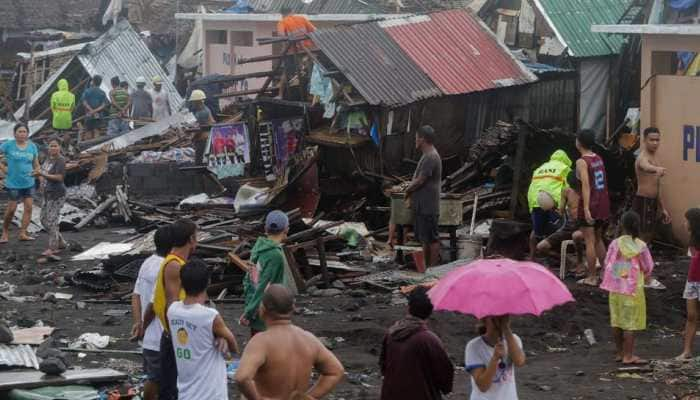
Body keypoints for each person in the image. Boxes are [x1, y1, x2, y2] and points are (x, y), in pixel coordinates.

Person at [235, 284, 345, 399]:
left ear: (262, 309)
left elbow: (242, 378)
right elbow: (336, 371)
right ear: (293, 308)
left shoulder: (261, 341)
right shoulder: (309, 339)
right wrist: (309, 397)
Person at [168, 259, 240, 400]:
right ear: (208, 283)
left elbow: (199, 335)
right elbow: (234, 347)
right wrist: (221, 337)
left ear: (181, 283)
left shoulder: (172, 310)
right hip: (211, 393)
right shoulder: (209, 316)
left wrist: (217, 336)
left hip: (185, 393)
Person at [147, 219, 198, 400]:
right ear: (191, 239)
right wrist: (179, 339)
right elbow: (173, 304)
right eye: (196, 237)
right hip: (175, 336)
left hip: (175, 334)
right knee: (171, 389)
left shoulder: (174, 262)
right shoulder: (174, 265)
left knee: (173, 386)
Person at [379, 287, 454, 400]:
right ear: (430, 311)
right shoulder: (429, 339)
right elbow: (445, 372)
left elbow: (383, 366)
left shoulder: (391, 334)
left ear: (408, 308)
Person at [600, 211, 654, 364]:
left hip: (616, 287)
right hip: (633, 289)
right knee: (630, 323)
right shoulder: (641, 245)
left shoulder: (615, 243)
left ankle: (619, 353)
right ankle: (628, 356)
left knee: (617, 320)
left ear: (621, 225)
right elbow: (647, 266)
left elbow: (607, 263)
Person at [241, 210, 297, 336]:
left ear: (266, 228)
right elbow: (264, 286)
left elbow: (249, 279)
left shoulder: (259, 247)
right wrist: (249, 311)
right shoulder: (275, 255)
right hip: (269, 311)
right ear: (286, 229)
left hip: (255, 305)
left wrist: (250, 307)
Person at [131, 226, 172, 400]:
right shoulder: (167, 267)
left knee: (154, 378)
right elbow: (155, 305)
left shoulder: (148, 262)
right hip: (159, 338)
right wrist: (143, 326)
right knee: (157, 381)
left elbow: (136, 295)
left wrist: (138, 323)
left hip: (149, 337)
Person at [575, 129, 610, 286]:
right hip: (602, 202)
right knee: (598, 238)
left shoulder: (582, 161)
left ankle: (591, 277)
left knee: (589, 241)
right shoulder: (598, 158)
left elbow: (586, 185)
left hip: (591, 203)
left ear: (579, 142)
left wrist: (587, 208)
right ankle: (606, 273)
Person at [405, 125, 442, 267]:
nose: (415, 140)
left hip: (428, 206)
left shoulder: (431, 156)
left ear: (422, 139)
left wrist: (407, 189)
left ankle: (431, 270)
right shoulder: (426, 155)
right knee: (424, 239)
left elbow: (420, 180)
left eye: (416, 138)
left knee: (431, 239)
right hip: (422, 206)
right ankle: (425, 268)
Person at [465, 316, 526, 400]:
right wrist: (495, 358)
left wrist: (506, 329)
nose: (500, 319)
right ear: (484, 320)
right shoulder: (474, 346)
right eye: (494, 317)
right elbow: (483, 386)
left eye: (504, 316)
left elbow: (519, 362)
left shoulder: (514, 340)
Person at [535, 173, 585, 273]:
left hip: (583, 226)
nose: (575, 188)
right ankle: (569, 261)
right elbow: (561, 211)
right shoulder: (566, 191)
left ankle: (580, 262)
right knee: (541, 247)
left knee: (577, 236)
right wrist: (553, 206)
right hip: (568, 227)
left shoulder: (587, 191)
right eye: (573, 185)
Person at [527, 149, 572, 259]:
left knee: (537, 230)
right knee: (561, 229)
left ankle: (532, 257)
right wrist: (566, 207)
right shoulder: (565, 168)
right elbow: (568, 189)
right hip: (554, 202)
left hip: (536, 201)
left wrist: (531, 207)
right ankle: (561, 258)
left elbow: (531, 188)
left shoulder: (539, 169)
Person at [0, 123, 40, 243]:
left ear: (27, 134)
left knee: (28, 208)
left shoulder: (32, 146)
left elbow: (36, 163)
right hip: (13, 183)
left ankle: (23, 233)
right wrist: (3, 168)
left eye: (24, 132)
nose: (22, 134)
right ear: (15, 133)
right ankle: (5, 232)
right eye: (20, 131)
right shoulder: (8, 145)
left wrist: (37, 171)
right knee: (12, 209)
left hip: (29, 182)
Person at [633, 127, 671, 243]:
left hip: (653, 201)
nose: (655, 143)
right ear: (644, 140)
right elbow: (645, 166)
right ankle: (638, 260)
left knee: (649, 235)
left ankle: (643, 259)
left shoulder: (654, 156)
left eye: (657, 140)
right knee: (642, 235)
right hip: (644, 201)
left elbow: (656, 185)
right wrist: (656, 169)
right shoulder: (642, 157)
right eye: (652, 140)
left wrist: (663, 208)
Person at [37, 137, 67, 263]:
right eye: (51, 146)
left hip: (57, 194)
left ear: (59, 147)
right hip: (47, 193)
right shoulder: (48, 159)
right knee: (43, 219)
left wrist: (43, 175)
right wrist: (41, 183)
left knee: (52, 220)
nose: (53, 148)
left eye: (55, 146)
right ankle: (61, 241)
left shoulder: (61, 160)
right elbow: (43, 172)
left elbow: (59, 178)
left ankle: (53, 248)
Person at [276, 6, 316, 98]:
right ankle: (312, 94)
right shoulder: (302, 18)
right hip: (307, 49)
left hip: (292, 50)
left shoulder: (282, 22)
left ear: (282, 14)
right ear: (292, 11)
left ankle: (280, 94)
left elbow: (281, 35)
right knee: (311, 71)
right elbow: (314, 30)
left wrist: (284, 48)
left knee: (286, 72)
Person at [677, 208, 700, 360]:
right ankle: (687, 351)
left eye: (686, 220)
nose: (684, 223)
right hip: (692, 280)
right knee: (691, 316)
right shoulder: (692, 240)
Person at [189, 89, 215, 165]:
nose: (192, 103)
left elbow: (200, 129)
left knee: (199, 161)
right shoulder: (204, 109)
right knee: (204, 160)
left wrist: (192, 138)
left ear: (198, 101)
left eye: (193, 101)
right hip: (205, 138)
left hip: (203, 139)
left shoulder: (202, 113)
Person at [80, 75, 109, 141]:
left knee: (88, 131)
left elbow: (84, 102)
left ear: (93, 81)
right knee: (97, 131)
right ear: (100, 83)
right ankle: (96, 147)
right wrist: (95, 111)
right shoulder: (102, 93)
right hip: (98, 116)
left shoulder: (87, 91)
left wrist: (91, 110)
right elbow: (103, 105)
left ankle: (88, 148)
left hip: (89, 115)